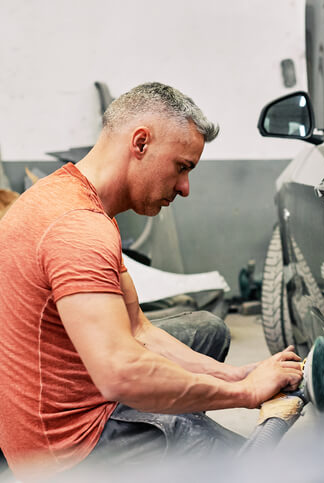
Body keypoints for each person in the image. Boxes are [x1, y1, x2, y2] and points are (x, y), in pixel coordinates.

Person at [0, 82, 303, 479]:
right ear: (140, 143)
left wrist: (244, 373)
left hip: (66, 401)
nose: (185, 188)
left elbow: (138, 329)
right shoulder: (77, 229)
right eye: (182, 167)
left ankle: (174, 412)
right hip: (66, 451)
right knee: (257, 468)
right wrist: (245, 395)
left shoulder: (72, 197)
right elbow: (120, 371)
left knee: (208, 330)